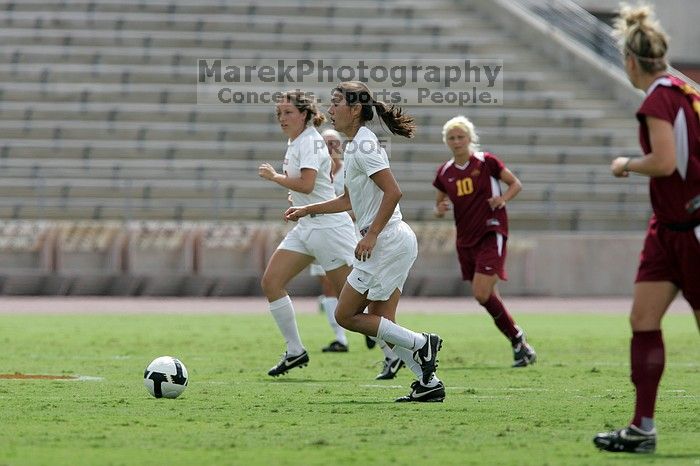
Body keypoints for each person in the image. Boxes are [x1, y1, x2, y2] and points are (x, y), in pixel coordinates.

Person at [285, 81, 444, 402]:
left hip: (385, 241)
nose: (330, 110)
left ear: (355, 109)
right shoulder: (358, 144)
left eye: (336, 103)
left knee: (346, 315)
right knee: (382, 321)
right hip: (393, 241)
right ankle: (429, 384)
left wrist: (371, 235)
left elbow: (394, 191)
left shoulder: (364, 146)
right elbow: (348, 199)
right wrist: (308, 208)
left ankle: (421, 343)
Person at [593, 3, 700, 454]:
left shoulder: (658, 97)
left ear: (631, 61)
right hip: (668, 228)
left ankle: (643, 427)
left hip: (692, 227)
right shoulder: (687, 89)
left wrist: (625, 165)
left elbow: (665, 162)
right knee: (643, 319)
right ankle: (642, 428)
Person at [258, 90, 357, 377]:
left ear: (304, 114)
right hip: (307, 225)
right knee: (271, 282)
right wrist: (295, 201)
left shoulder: (311, 140)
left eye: (288, 112)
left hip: (328, 227)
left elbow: (307, 183)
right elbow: (306, 188)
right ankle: (294, 351)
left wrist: (275, 177)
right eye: (279, 114)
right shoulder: (296, 141)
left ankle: (399, 348)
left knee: (351, 302)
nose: (282, 118)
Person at [433, 116, 537, 368]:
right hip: (465, 239)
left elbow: (515, 184)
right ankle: (519, 345)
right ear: (446, 141)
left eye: (461, 137)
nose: (457, 141)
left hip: (491, 232)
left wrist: (503, 199)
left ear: (470, 138)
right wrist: (441, 208)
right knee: (486, 294)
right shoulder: (445, 172)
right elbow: (439, 202)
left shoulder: (486, 162)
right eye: (452, 137)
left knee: (481, 292)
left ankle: (518, 339)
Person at [308, 128, 350, 353]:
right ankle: (340, 338)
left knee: (357, 282)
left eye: (334, 142)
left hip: (348, 234)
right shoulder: (314, 173)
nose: (331, 146)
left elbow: (357, 204)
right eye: (326, 142)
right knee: (327, 284)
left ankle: (373, 325)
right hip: (321, 233)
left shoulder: (349, 170)